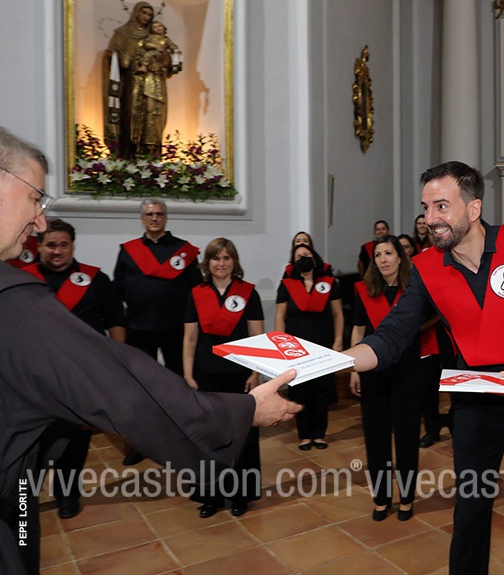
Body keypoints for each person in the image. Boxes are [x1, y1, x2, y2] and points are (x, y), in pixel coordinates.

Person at [0, 126, 299, 574]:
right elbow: (122, 389)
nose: (41, 222)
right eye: (35, 198)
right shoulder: (17, 304)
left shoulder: (191, 260)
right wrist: (241, 413)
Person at [343, 162, 504, 574]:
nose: (431, 219)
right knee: (470, 511)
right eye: (426, 208)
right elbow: (392, 335)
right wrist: (336, 361)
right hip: (477, 399)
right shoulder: (427, 269)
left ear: (473, 208)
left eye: (441, 206)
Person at [24, 219, 125, 519]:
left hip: (81, 377)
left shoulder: (96, 280)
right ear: (39, 246)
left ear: (72, 246)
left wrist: (116, 365)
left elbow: (116, 322)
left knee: (75, 440)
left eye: (63, 245)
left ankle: (67, 494)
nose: (57, 251)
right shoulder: (23, 280)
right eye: (51, 245)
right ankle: (25, 497)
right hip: (35, 376)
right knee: (33, 441)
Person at [114, 197, 202, 465]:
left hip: (175, 330)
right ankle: (143, 443)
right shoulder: (129, 251)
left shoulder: (182, 250)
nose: (154, 218)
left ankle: (184, 436)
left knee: (180, 385)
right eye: (150, 214)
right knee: (141, 388)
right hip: (139, 329)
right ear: (142, 219)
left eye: (159, 214)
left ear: (166, 218)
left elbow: (197, 291)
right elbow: (118, 288)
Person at [183, 238, 264, 518]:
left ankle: (241, 495)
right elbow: (190, 338)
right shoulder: (196, 294)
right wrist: (188, 374)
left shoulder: (248, 293)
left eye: (227, 258)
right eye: (216, 258)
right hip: (205, 375)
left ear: (234, 261)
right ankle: (211, 496)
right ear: (207, 263)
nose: (221, 263)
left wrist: (255, 373)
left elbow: (257, 338)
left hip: (240, 375)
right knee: (208, 436)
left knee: (243, 436)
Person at [348, 236, 421, 522]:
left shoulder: (414, 290)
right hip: (373, 373)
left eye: (389, 253)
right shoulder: (365, 291)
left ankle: (406, 498)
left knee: (406, 437)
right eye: (378, 255)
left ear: (400, 257)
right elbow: (358, 331)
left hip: (408, 371)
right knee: (375, 437)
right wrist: (354, 369)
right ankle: (381, 498)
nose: (383, 259)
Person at [275, 243, 343, 451]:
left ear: (314, 257)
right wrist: (280, 343)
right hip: (296, 347)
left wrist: (338, 340)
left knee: (321, 391)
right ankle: (304, 435)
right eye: (298, 256)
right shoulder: (287, 285)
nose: (303, 258)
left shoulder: (328, 283)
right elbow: (280, 315)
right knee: (300, 391)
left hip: (323, 345)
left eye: (306, 254)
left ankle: (319, 434)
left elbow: (338, 314)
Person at [102, 2, 172, 158]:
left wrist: (164, 56)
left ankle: (150, 153)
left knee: (151, 115)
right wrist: (113, 56)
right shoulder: (123, 33)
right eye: (144, 13)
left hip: (153, 81)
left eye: (150, 15)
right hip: (131, 80)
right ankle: (128, 152)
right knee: (130, 112)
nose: (146, 17)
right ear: (136, 13)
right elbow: (116, 57)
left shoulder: (155, 37)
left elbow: (167, 62)